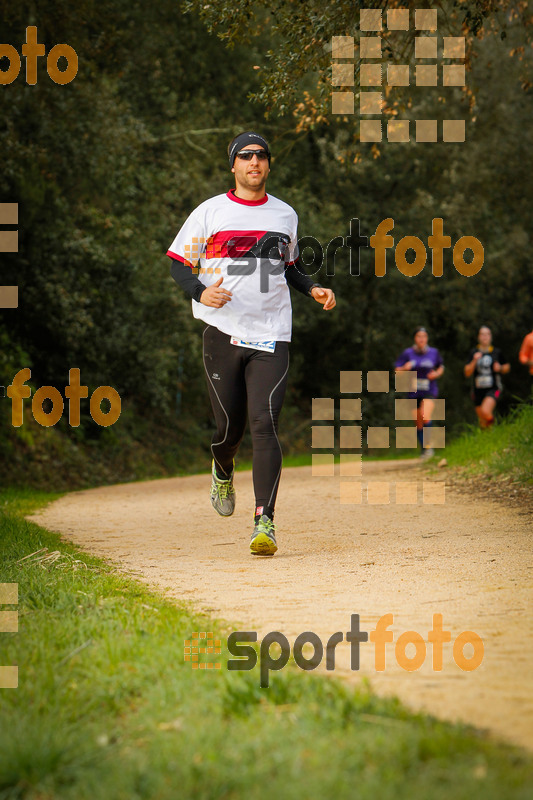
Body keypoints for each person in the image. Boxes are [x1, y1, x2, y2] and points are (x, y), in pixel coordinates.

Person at [166, 131, 336, 555]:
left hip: (271, 333)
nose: (254, 162)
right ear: (234, 166)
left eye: (261, 156)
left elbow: (290, 267)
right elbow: (178, 263)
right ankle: (223, 467)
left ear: (268, 164)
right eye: (246, 156)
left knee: (266, 425)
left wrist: (312, 288)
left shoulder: (285, 215)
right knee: (230, 429)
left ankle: (265, 521)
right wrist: (200, 291)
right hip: (221, 332)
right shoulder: (210, 212)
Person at [395, 327, 444, 458]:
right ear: (414, 338)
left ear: (427, 338)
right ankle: (424, 449)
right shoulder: (407, 353)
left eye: (424, 336)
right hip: (413, 391)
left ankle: (429, 447)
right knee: (418, 421)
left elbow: (441, 366)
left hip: (429, 389)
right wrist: (405, 369)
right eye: (418, 336)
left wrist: (437, 373)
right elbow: (396, 372)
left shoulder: (434, 352)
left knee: (425, 415)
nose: (421, 339)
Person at [464, 326, 510, 428]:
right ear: (478, 337)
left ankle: (499, 428)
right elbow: (467, 372)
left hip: (494, 389)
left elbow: (507, 367)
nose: (485, 337)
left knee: (485, 411)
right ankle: (489, 439)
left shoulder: (496, 352)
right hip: (477, 390)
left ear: (491, 337)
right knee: (483, 421)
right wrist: (474, 360)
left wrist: (500, 368)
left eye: (487, 334)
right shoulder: (473, 353)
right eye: (482, 334)